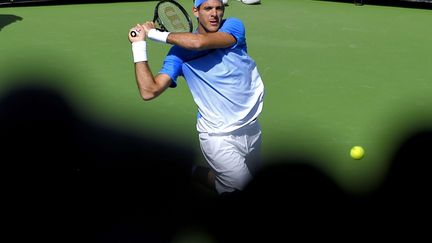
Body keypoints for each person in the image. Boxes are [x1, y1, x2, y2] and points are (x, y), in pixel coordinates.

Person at [128, 0, 265, 195]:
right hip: (218, 137)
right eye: (208, 8)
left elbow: (198, 43)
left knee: (235, 182)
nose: (214, 14)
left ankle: (186, 170)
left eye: (219, 8)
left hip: (252, 128)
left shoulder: (233, 26)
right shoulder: (178, 54)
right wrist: (139, 45)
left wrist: (152, 33)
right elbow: (149, 91)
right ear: (196, 11)